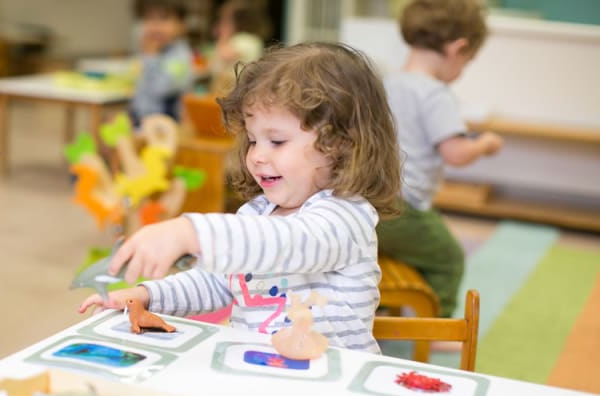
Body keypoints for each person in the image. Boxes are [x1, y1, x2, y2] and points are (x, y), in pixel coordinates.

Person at [80, 42, 400, 354]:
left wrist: (189, 232)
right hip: (259, 375)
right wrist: (146, 295)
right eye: (251, 140)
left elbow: (288, 244)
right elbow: (216, 283)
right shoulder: (256, 215)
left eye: (276, 141)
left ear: (340, 144)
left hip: (330, 392)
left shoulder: (345, 216)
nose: (257, 155)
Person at [377, 0, 503, 318]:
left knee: (386, 254)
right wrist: (484, 144)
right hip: (404, 207)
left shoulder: (386, 83)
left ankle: (381, 308)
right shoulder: (435, 94)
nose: (461, 72)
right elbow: (455, 153)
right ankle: (438, 323)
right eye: (467, 61)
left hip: (366, 200)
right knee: (448, 257)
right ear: (457, 49)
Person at [129, 0, 194, 126]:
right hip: (142, 119)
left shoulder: (179, 56)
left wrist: (151, 57)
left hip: (165, 124)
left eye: (163, 19)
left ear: (182, 26)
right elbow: (141, 86)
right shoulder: (153, 50)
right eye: (149, 18)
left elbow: (162, 88)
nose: (155, 26)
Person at [208, 0, 269, 95]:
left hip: (233, 89)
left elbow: (224, 55)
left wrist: (223, 35)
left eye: (226, 20)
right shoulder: (251, 39)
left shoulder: (244, 39)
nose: (221, 24)